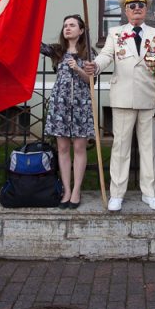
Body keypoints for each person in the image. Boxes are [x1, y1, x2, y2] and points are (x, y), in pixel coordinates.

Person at [84, 0, 155, 212]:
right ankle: (117, 193)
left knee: (148, 148)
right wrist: (95, 66)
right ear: (125, 11)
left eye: (141, 5)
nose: (137, 9)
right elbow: (106, 55)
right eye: (132, 6)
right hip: (122, 98)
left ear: (146, 10)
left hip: (150, 98)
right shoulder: (116, 33)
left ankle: (150, 193)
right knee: (120, 148)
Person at [40, 15, 95, 210]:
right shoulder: (57, 51)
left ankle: (77, 190)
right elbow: (36, 44)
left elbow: (92, 81)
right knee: (62, 148)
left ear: (81, 31)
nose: (67, 28)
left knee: (79, 148)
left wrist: (78, 68)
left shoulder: (89, 52)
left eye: (72, 25)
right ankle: (66, 189)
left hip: (81, 104)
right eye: (65, 25)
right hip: (60, 105)